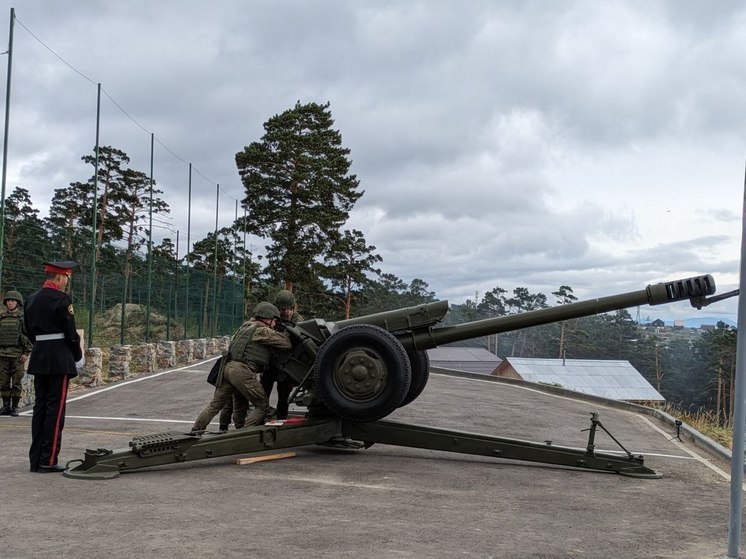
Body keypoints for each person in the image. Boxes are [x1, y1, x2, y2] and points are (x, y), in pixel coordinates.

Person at [191, 302, 291, 432]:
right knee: (262, 406)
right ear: (267, 318)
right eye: (274, 320)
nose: (274, 324)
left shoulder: (245, 326)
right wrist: (286, 334)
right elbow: (286, 343)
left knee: (218, 405)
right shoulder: (262, 331)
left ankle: (195, 431)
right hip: (242, 372)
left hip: (228, 368)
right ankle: (243, 433)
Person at [24, 261, 83, 473]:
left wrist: (40, 347)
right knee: (55, 411)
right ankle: (48, 460)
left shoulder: (31, 299)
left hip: (39, 356)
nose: (67, 282)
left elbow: (28, 330)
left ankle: (35, 459)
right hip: (59, 358)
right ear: (59, 277)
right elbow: (70, 332)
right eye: (66, 278)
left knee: (40, 408)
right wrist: (77, 355)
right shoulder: (62, 299)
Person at [260, 289, 304, 420]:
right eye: (282, 309)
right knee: (263, 396)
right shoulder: (271, 318)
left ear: (293, 308)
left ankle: (281, 423)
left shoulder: (299, 322)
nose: (285, 312)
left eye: (288, 309)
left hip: (287, 365)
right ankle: (260, 420)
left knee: (283, 398)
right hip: (270, 362)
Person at [0, 291, 32, 416]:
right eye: (8, 301)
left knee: (17, 381)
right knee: (3, 381)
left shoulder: (22, 319)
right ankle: (5, 406)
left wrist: (26, 353)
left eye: (13, 301)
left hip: (18, 355)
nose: (10, 303)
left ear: (18, 303)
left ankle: (14, 407)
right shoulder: (1, 318)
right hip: (3, 355)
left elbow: (29, 337)